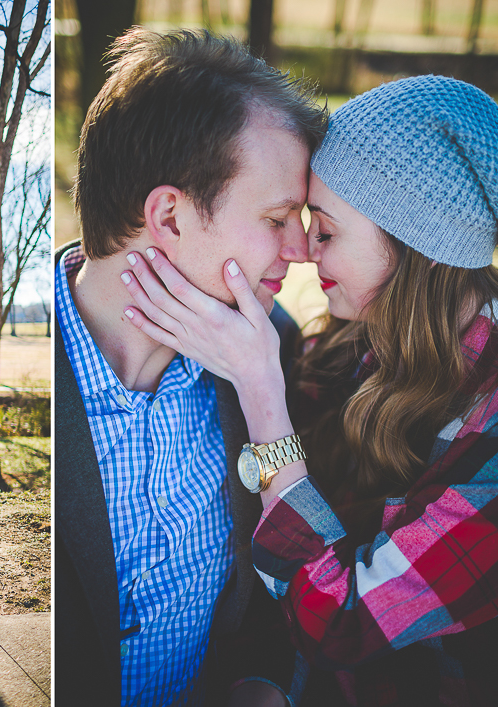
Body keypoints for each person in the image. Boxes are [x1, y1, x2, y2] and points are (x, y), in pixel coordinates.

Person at [122, 75, 498, 705]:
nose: (303, 252)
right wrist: (264, 680)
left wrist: (262, 396)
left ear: (422, 246)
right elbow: (282, 573)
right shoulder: (340, 352)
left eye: (325, 231)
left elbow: (341, 621)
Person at [55, 27, 328, 706]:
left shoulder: (270, 352)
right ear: (170, 216)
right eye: (277, 218)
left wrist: (262, 684)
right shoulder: (39, 374)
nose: (300, 249)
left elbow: (272, 602)